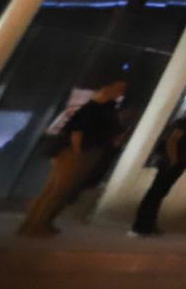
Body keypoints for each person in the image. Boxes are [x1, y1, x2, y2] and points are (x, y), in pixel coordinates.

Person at [21, 78, 130, 237]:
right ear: (104, 89)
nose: (119, 92)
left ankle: (38, 223)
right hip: (76, 152)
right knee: (58, 190)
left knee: (56, 189)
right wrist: (77, 152)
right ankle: (37, 224)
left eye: (122, 89)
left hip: (83, 151)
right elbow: (77, 131)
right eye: (116, 88)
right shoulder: (93, 109)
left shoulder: (105, 108)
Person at [132, 92, 186, 237]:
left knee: (160, 192)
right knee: (156, 192)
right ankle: (141, 225)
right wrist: (173, 159)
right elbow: (172, 139)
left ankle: (149, 224)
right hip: (172, 162)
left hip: (179, 161)